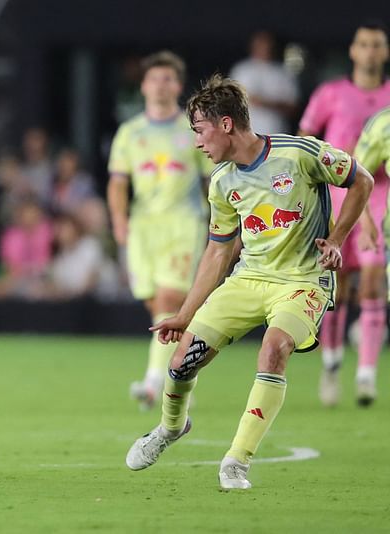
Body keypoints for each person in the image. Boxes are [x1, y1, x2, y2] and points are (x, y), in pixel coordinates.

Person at [125, 74, 375, 490]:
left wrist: (336, 240)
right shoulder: (223, 182)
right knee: (181, 362)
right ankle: (170, 428)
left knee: (274, 347)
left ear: (226, 125)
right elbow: (219, 251)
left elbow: (361, 179)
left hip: (304, 280)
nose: (197, 143)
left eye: (200, 131)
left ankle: (237, 460)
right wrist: (185, 314)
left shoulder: (300, 154)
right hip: (250, 279)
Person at [107, 51, 212, 409]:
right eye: (154, 79)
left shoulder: (193, 129)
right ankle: (184, 371)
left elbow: (211, 179)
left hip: (184, 224)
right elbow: (118, 183)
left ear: (178, 86)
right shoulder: (129, 132)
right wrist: (119, 220)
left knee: (169, 301)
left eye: (168, 79)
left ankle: (154, 383)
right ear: (143, 85)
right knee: (157, 306)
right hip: (143, 228)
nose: (161, 85)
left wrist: (222, 220)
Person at [298, 21, 390, 407]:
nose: (370, 51)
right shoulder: (331, 94)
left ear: (384, 52)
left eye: (377, 45)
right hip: (336, 199)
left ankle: (366, 374)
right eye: (364, 45)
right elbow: (304, 139)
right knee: (336, 289)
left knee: (371, 284)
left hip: (379, 198)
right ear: (353, 51)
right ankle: (333, 362)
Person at [352, 105, 390, 404]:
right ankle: (362, 371)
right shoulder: (382, 124)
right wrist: (364, 221)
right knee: (368, 285)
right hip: (382, 224)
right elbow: (359, 172)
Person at [230, 30, 299, 134]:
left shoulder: (283, 72)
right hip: (246, 136)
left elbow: (293, 107)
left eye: (267, 44)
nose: (264, 48)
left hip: (276, 136)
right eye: (260, 44)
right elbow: (229, 102)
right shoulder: (241, 70)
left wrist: (266, 103)